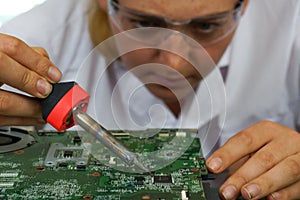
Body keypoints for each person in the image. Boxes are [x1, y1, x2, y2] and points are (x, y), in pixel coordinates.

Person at [0, 0, 299, 199]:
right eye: (144, 24)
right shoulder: (31, 41)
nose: (174, 64)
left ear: (243, 5)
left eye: (206, 27)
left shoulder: (292, 24)